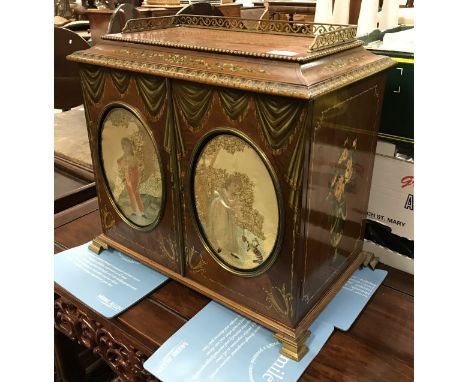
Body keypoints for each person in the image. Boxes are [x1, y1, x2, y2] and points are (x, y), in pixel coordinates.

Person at [206, 174, 242, 259]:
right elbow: (225, 204)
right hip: (220, 215)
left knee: (230, 233)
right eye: (235, 185)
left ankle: (229, 251)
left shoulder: (233, 197)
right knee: (221, 229)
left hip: (228, 219)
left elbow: (232, 207)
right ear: (228, 185)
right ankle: (221, 248)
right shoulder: (220, 198)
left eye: (238, 187)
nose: (236, 188)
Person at [117, 137, 147, 220]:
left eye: (126, 145)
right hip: (128, 177)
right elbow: (121, 163)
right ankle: (134, 211)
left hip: (135, 176)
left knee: (137, 194)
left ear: (130, 146)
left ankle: (142, 212)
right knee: (131, 195)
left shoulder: (134, 156)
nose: (125, 147)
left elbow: (139, 166)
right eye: (123, 145)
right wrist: (124, 176)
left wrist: (138, 178)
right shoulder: (123, 157)